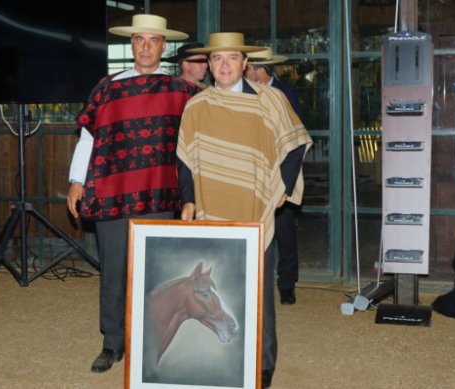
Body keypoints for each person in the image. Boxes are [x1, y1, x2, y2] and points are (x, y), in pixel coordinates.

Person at [177, 32, 313, 388]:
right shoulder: (197, 106)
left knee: (259, 287)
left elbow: (296, 143)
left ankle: (263, 363)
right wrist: (188, 199)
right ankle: (219, 355)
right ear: (208, 65)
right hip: (210, 206)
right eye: (217, 59)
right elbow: (185, 159)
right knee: (214, 285)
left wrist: (283, 186)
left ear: (245, 63)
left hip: (256, 208)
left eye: (232, 59)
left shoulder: (271, 101)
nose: (224, 66)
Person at [66, 14, 198, 373]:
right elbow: (88, 138)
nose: (145, 46)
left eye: (152, 40)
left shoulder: (181, 92)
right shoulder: (107, 88)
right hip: (112, 193)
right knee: (113, 272)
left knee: (155, 275)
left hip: (159, 195)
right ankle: (112, 343)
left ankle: (149, 342)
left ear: (162, 46)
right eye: (139, 39)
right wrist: (77, 180)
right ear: (131, 44)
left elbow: (197, 144)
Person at [245, 47, 302, 305]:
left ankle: (287, 285)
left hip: (281, 172)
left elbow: (294, 134)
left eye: (248, 67)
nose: (245, 70)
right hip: (252, 173)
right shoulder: (243, 94)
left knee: (285, 233)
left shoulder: (286, 93)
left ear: (260, 70)